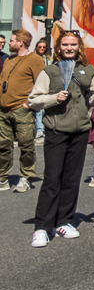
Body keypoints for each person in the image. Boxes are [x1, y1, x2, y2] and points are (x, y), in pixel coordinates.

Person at [28, 31, 94, 246]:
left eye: (73, 44)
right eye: (65, 45)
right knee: (52, 179)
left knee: (71, 179)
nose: (69, 48)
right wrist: (54, 98)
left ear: (79, 47)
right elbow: (34, 100)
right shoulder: (49, 71)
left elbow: (92, 93)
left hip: (80, 131)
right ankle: (42, 227)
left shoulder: (88, 70)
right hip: (56, 130)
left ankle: (64, 221)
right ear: (58, 48)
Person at [0, 29, 45, 192]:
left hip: (22, 109)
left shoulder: (35, 60)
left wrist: (28, 103)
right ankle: (2, 178)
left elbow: (41, 84)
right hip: (3, 109)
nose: (8, 43)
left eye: (11, 40)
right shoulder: (8, 59)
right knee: (3, 145)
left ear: (21, 42)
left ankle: (25, 177)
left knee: (26, 145)